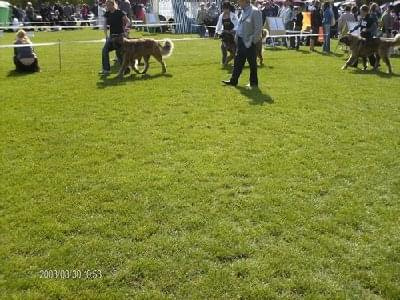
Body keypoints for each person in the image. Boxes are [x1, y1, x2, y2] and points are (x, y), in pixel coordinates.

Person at [222, 0, 262, 89]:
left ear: (245, 1)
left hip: (249, 42)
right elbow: (240, 26)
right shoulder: (243, 11)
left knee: (252, 63)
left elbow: (258, 29)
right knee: (238, 62)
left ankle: (253, 83)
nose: (238, 3)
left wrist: (252, 41)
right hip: (240, 41)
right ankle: (233, 81)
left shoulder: (255, 11)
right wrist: (236, 37)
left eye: (239, 1)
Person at [99, 0, 130, 76]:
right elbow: (105, 25)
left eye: (108, 5)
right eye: (106, 5)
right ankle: (106, 70)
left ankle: (126, 69)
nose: (107, 7)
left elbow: (128, 21)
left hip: (120, 36)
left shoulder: (119, 12)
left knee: (119, 53)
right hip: (112, 36)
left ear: (113, 5)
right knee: (104, 50)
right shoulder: (107, 13)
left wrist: (126, 28)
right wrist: (106, 36)